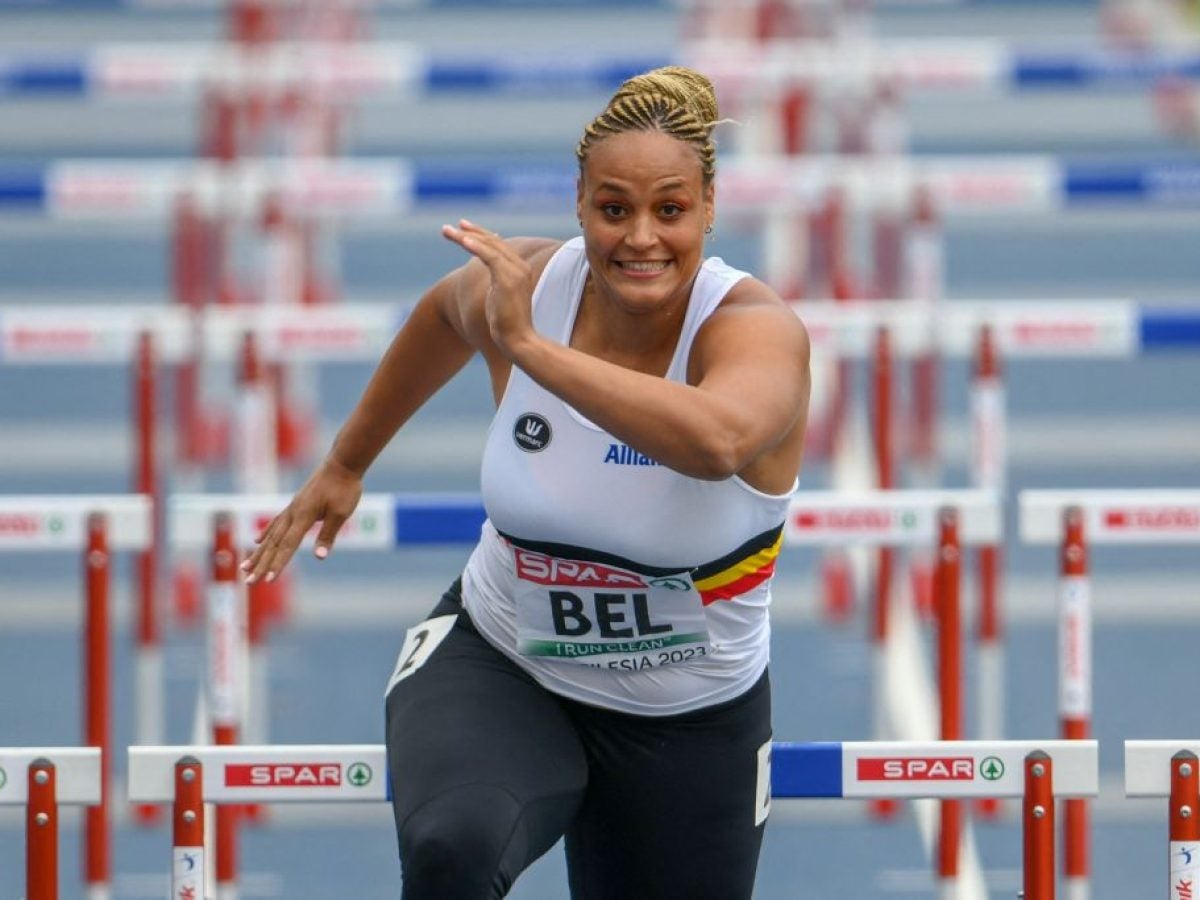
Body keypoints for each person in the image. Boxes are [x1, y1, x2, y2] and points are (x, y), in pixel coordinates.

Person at [242, 65, 811, 900]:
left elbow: (717, 441)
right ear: (581, 204)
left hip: (687, 720)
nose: (641, 238)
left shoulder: (754, 332)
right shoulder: (531, 288)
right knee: (453, 849)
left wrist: (535, 353)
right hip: (506, 667)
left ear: (710, 208)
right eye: (613, 209)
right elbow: (443, 314)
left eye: (670, 210)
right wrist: (345, 463)